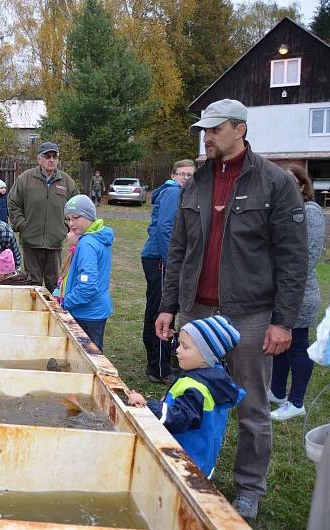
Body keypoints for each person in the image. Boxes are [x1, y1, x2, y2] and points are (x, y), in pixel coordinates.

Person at [155, 99, 308, 520]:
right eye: (204, 131)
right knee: (190, 394)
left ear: (239, 129)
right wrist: (169, 305)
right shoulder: (196, 183)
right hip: (197, 311)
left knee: (252, 406)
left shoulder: (276, 183)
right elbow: (179, 248)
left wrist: (283, 321)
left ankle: (249, 489)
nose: (207, 137)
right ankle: (187, 470)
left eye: (215, 130)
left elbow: (293, 258)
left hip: (251, 314)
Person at [128, 316, 246, 479]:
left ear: (206, 355)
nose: (177, 349)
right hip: (201, 457)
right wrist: (168, 401)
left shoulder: (196, 387)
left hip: (184, 461)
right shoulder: (212, 377)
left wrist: (148, 405)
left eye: (185, 347)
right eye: (179, 344)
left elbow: (180, 417)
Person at [269, 165, 326, 421]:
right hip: (279, 290)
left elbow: (309, 255)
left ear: (303, 185)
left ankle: (296, 402)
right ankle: (278, 392)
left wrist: (286, 283)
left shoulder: (311, 212)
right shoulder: (281, 210)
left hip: (299, 292)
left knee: (298, 345)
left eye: (291, 181)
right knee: (280, 345)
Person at [141, 159, 196, 384]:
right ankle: (160, 368)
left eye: (190, 175)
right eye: (181, 174)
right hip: (160, 259)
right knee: (164, 310)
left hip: (156, 257)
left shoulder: (173, 191)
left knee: (156, 308)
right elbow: (165, 228)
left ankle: (157, 360)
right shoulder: (174, 192)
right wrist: (170, 261)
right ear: (173, 175)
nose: (185, 178)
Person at [9, 141, 79, 293]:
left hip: (55, 242)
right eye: (47, 156)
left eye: (55, 156)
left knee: (54, 284)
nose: (51, 160)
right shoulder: (25, 179)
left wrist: (66, 228)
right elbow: (13, 204)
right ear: (39, 159)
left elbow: (76, 208)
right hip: (31, 241)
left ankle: (53, 315)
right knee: (32, 285)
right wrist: (22, 225)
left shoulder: (67, 182)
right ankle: (32, 315)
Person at [58, 195, 113, 351]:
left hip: (87, 313)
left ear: (89, 216)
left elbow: (87, 285)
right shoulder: (99, 236)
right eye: (68, 219)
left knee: (87, 357)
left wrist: (65, 303)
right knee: (94, 352)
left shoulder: (87, 243)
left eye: (76, 217)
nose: (71, 223)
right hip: (96, 311)